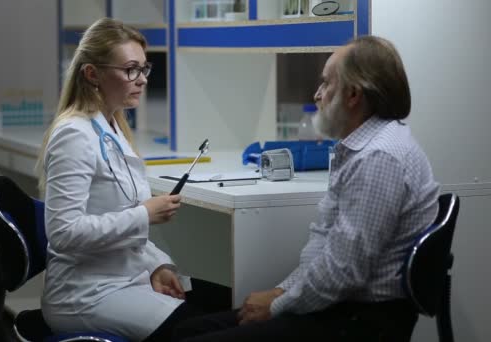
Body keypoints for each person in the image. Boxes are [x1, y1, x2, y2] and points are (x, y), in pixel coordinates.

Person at [172, 36, 440, 342]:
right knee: (188, 330)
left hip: (360, 321)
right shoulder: (359, 148)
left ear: (353, 94)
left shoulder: (378, 158)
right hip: (337, 307)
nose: (317, 94)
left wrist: (276, 304)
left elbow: (343, 272)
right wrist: (281, 292)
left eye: (326, 84)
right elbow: (324, 248)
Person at [36, 18, 229, 342]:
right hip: (85, 293)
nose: (140, 80)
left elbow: (122, 228)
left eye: (144, 69)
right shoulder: (74, 134)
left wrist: (158, 266)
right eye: (130, 70)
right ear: (92, 74)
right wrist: (144, 214)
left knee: (227, 300)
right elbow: (63, 233)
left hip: (122, 276)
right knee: (204, 328)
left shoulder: (113, 128)